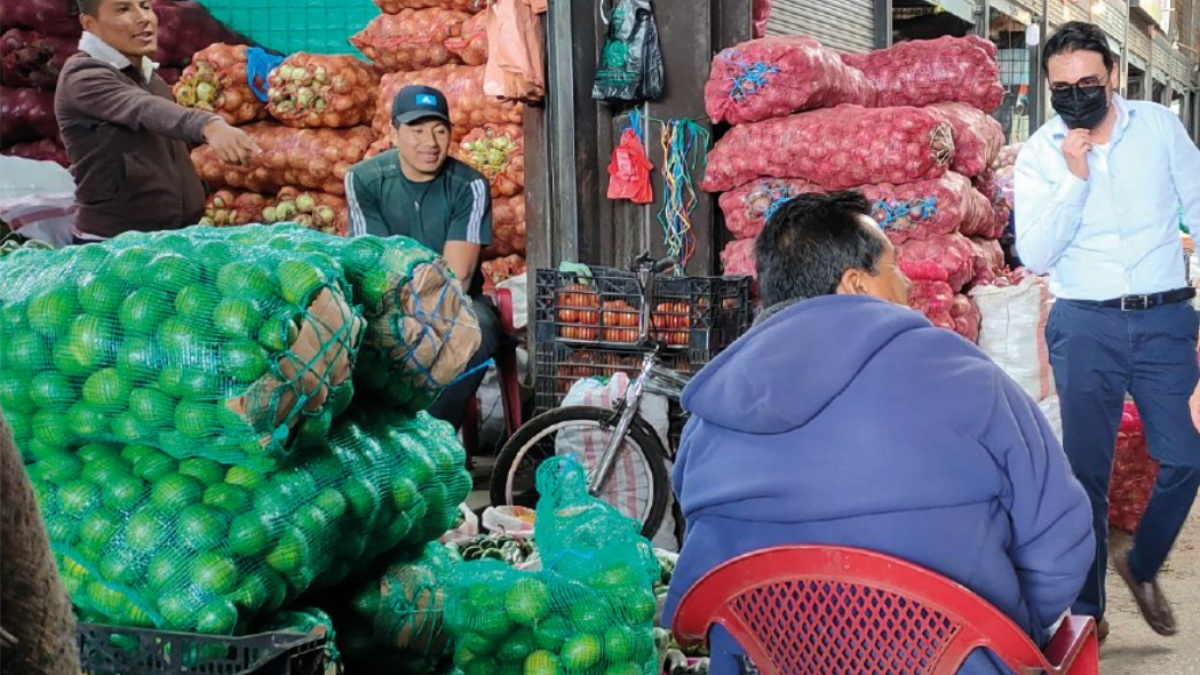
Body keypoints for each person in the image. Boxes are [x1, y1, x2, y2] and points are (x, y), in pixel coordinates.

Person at [662, 192, 1094, 675]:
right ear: (855, 285)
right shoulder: (962, 376)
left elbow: (698, 584)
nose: (908, 284)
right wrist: (1008, 631)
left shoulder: (710, 410)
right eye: (893, 267)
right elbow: (1063, 541)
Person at [1014, 21, 1200, 639]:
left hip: (1166, 318)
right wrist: (1074, 176)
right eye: (1061, 88)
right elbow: (1035, 255)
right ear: (1047, 88)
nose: (1075, 96)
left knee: (1187, 454)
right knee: (1085, 475)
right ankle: (1090, 615)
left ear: (1113, 76)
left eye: (1087, 83)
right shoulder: (1042, 152)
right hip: (1085, 324)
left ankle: (1141, 563)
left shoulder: (1160, 128)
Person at [344, 84, 500, 431]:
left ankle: (428, 436)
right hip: (384, 299)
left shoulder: (469, 185)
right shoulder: (364, 180)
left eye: (439, 130)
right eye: (416, 130)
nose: (429, 142)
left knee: (478, 330)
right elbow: (374, 265)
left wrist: (424, 316)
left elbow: (457, 275)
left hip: (454, 300)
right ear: (393, 133)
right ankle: (366, 435)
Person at [56, 0, 258, 244]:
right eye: (123, 9)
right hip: (113, 245)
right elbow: (143, 108)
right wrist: (209, 125)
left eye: (145, 6)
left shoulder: (147, 76)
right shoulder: (84, 77)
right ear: (89, 24)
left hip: (167, 239)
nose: (142, 18)